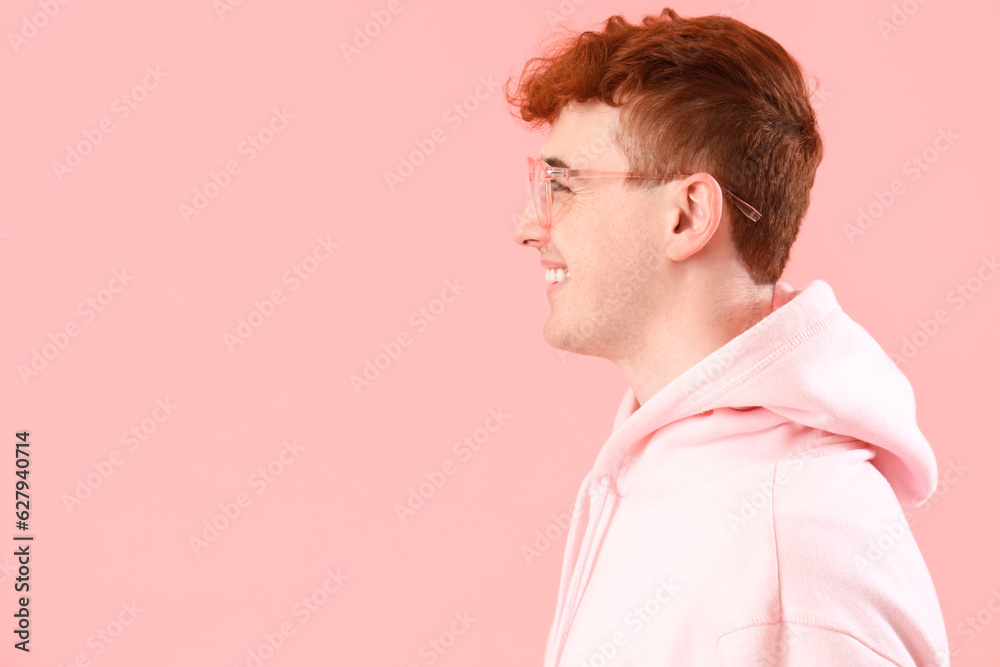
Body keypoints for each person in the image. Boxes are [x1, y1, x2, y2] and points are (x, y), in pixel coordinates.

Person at [506, 7, 950, 666]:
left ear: (687, 215)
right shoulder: (673, 481)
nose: (527, 226)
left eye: (564, 184)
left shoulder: (793, 544)